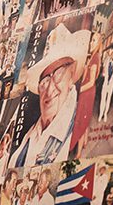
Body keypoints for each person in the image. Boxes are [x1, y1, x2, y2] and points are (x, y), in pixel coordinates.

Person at [9, 23, 90, 168]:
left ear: (72, 75)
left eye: (58, 74)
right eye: (44, 81)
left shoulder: (82, 129)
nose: (50, 89)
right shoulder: (29, 136)